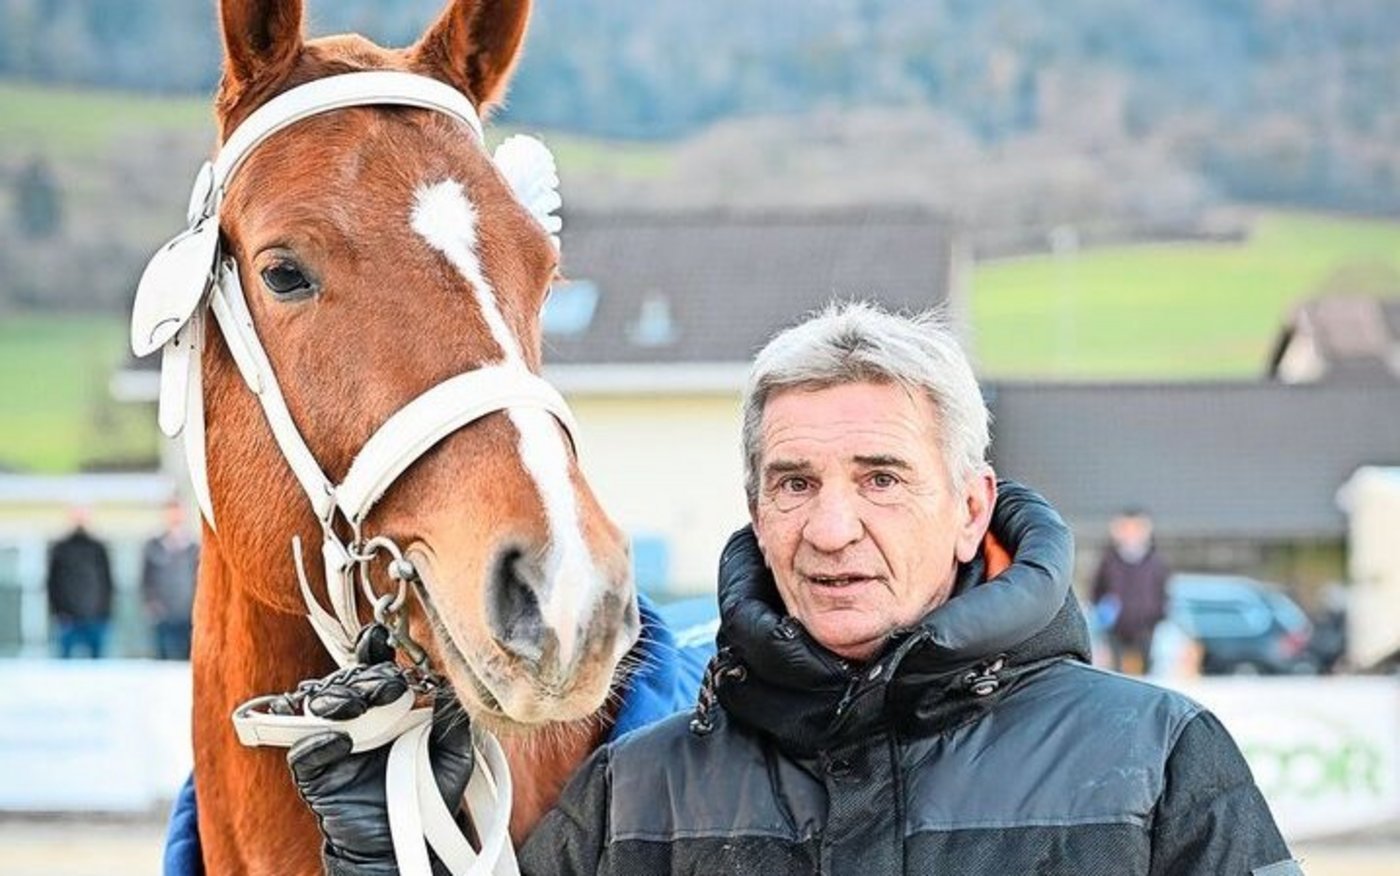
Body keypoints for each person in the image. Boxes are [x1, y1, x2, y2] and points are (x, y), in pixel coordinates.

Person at [288, 302, 1298, 875]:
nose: (829, 527)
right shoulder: (637, 797)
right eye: (793, 484)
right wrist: (382, 860)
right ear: (755, 512)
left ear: (968, 505)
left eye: (881, 478)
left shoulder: (1153, 763)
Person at [1091, 507, 1171, 674]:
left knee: (1148, 673)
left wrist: (1157, 616)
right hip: (1115, 628)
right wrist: (1104, 613)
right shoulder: (1108, 560)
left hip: (1146, 628)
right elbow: (1096, 591)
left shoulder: (1156, 561)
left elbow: (1163, 593)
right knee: (1116, 672)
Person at [46, 505, 115, 659]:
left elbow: (107, 583)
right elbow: (52, 584)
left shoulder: (98, 548)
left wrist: (105, 612)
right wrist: (58, 612)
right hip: (67, 619)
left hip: (96, 618)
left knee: (98, 670)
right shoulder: (60, 548)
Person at [141, 499, 200, 660]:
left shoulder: (194, 548)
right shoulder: (153, 545)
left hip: (189, 615)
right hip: (163, 615)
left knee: (188, 661)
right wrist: (152, 605)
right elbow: (146, 580)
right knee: (162, 660)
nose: (175, 517)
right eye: (171, 512)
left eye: (178, 512)